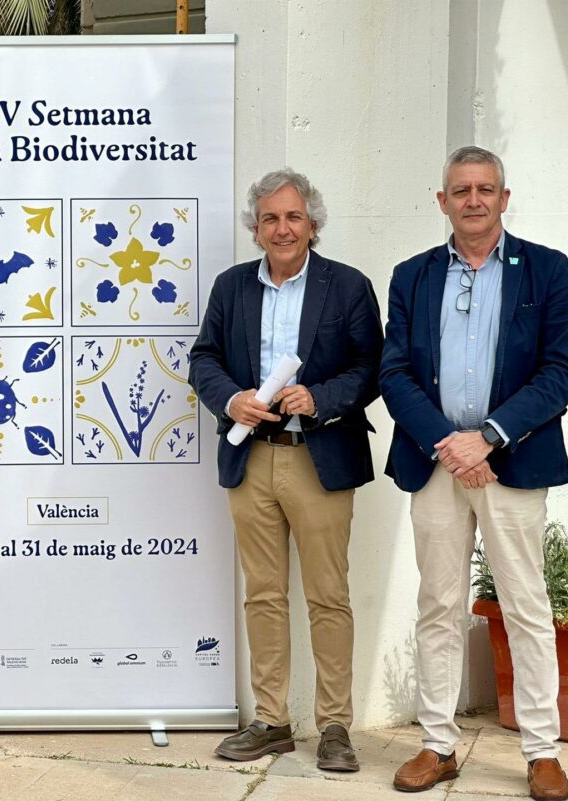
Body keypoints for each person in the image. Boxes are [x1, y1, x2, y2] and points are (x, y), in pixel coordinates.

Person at [383, 146, 568, 801]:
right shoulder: (411, 276)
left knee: (525, 605)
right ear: (443, 201)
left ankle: (542, 751)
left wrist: (487, 437)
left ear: (503, 197)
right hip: (437, 462)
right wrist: (450, 444)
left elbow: (559, 373)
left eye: (485, 189)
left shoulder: (547, 270)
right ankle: (438, 744)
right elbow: (394, 373)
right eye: (461, 190)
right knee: (437, 604)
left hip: (512, 462)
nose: (473, 199)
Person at [189, 168, 382, 771]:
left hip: (319, 459)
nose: (282, 228)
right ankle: (272, 721)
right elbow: (203, 359)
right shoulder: (231, 287)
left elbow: (372, 368)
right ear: (255, 228)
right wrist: (230, 400)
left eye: (293, 216)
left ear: (312, 224)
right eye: (269, 218)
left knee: (328, 597)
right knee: (264, 595)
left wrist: (319, 397)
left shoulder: (347, 286)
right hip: (250, 459)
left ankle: (335, 727)